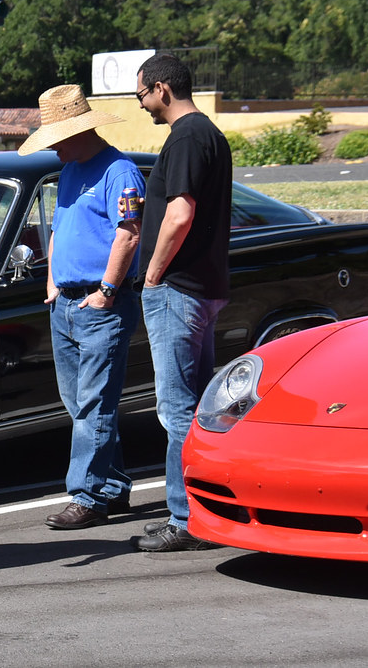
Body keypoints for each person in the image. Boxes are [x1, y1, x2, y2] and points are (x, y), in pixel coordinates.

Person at [18, 85, 144, 529]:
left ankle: (87, 495)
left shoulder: (119, 171)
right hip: (69, 304)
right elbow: (57, 230)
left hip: (99, 303)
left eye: (56, 136)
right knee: (81, 403)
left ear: (78, 131)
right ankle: (109, 486)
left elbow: (128, 233)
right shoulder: (71, 170)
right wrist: (53, 281)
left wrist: (107, 290)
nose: (51, 145)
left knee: (92, 404)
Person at [133, 53, 232, 552]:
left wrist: (152, 275)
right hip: (203, 287)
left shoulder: (188, 137)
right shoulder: (210, 135)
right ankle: (203, 512)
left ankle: (185, 517)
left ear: (161, 89)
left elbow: (180, 213)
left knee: (176, 410)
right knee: (197, 409)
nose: (143, 105)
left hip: (179, 290)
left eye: (142, 96)